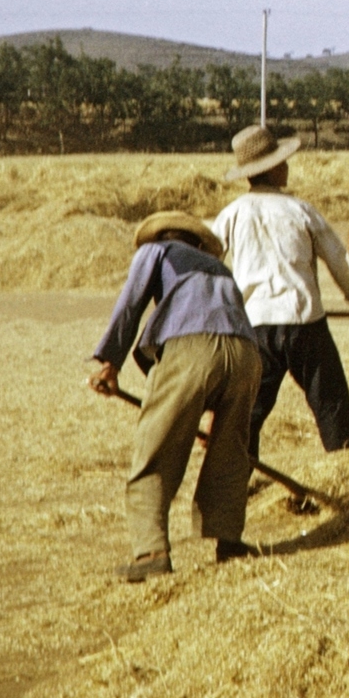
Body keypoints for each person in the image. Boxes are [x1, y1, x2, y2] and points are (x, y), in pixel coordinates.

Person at [86, 210, 263, 582]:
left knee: (157, 447)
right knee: (230, 449)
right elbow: (228, 334)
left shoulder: (155, 251)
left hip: (191, 347)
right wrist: (214, 409)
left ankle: (151, 551)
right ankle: (228, 540)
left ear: (162, 236)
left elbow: (130, 305)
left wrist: (108, 362)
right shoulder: (220, 270)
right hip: (247, 355)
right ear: (198, 244)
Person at [210, 124, 349, 459]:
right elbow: (338, 259)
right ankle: (347, 466)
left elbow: (207, 261)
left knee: (247, 413)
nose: (288, 166)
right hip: (305, 323)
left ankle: (232, 478)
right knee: (331, 403)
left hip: (257, 327)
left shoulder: (231, 215)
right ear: (274, 168)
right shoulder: (300, 211)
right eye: (284, 162)